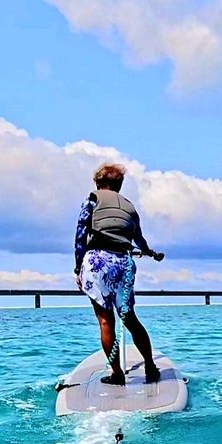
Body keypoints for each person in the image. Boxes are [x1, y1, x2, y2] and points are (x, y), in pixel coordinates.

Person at [74, 162, 164, 385]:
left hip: (98, 261)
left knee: (106, 321)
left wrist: (78, 268)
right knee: (130, 318)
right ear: (119, 185)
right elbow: (140, 241)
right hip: (124, 263)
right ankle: (151, 368)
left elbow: (80, 235)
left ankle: (117, 374)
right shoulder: (130, 207)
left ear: (98, 182)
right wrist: (148, 252)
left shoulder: (92, 200)